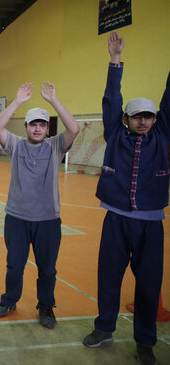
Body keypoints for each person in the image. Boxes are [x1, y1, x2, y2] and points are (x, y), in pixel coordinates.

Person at [82, 32, 168, 365]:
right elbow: (111, 98)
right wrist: (115, 61)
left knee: (149, 286)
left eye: (149, 116)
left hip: (150, 225)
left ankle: (145, 342)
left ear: (156, 120)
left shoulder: (161, 136)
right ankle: (104, 328)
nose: (144, 121)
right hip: (116, 219)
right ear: (126, 120)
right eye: (137, 116)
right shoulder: (115, 132)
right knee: (108, 278)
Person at [0, 81, 79, 329]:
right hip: (17, 218)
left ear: (47, 128)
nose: (38, 129)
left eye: (42, 124)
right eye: (33, 124)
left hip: (48, 220)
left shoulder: (56, 147)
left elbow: (73, 128)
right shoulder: (16, 145)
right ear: (26, 127)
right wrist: (18, 102)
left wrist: (53, 101)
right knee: (14, 265)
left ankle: (46, 306)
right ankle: (9, 300)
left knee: (47, 269)